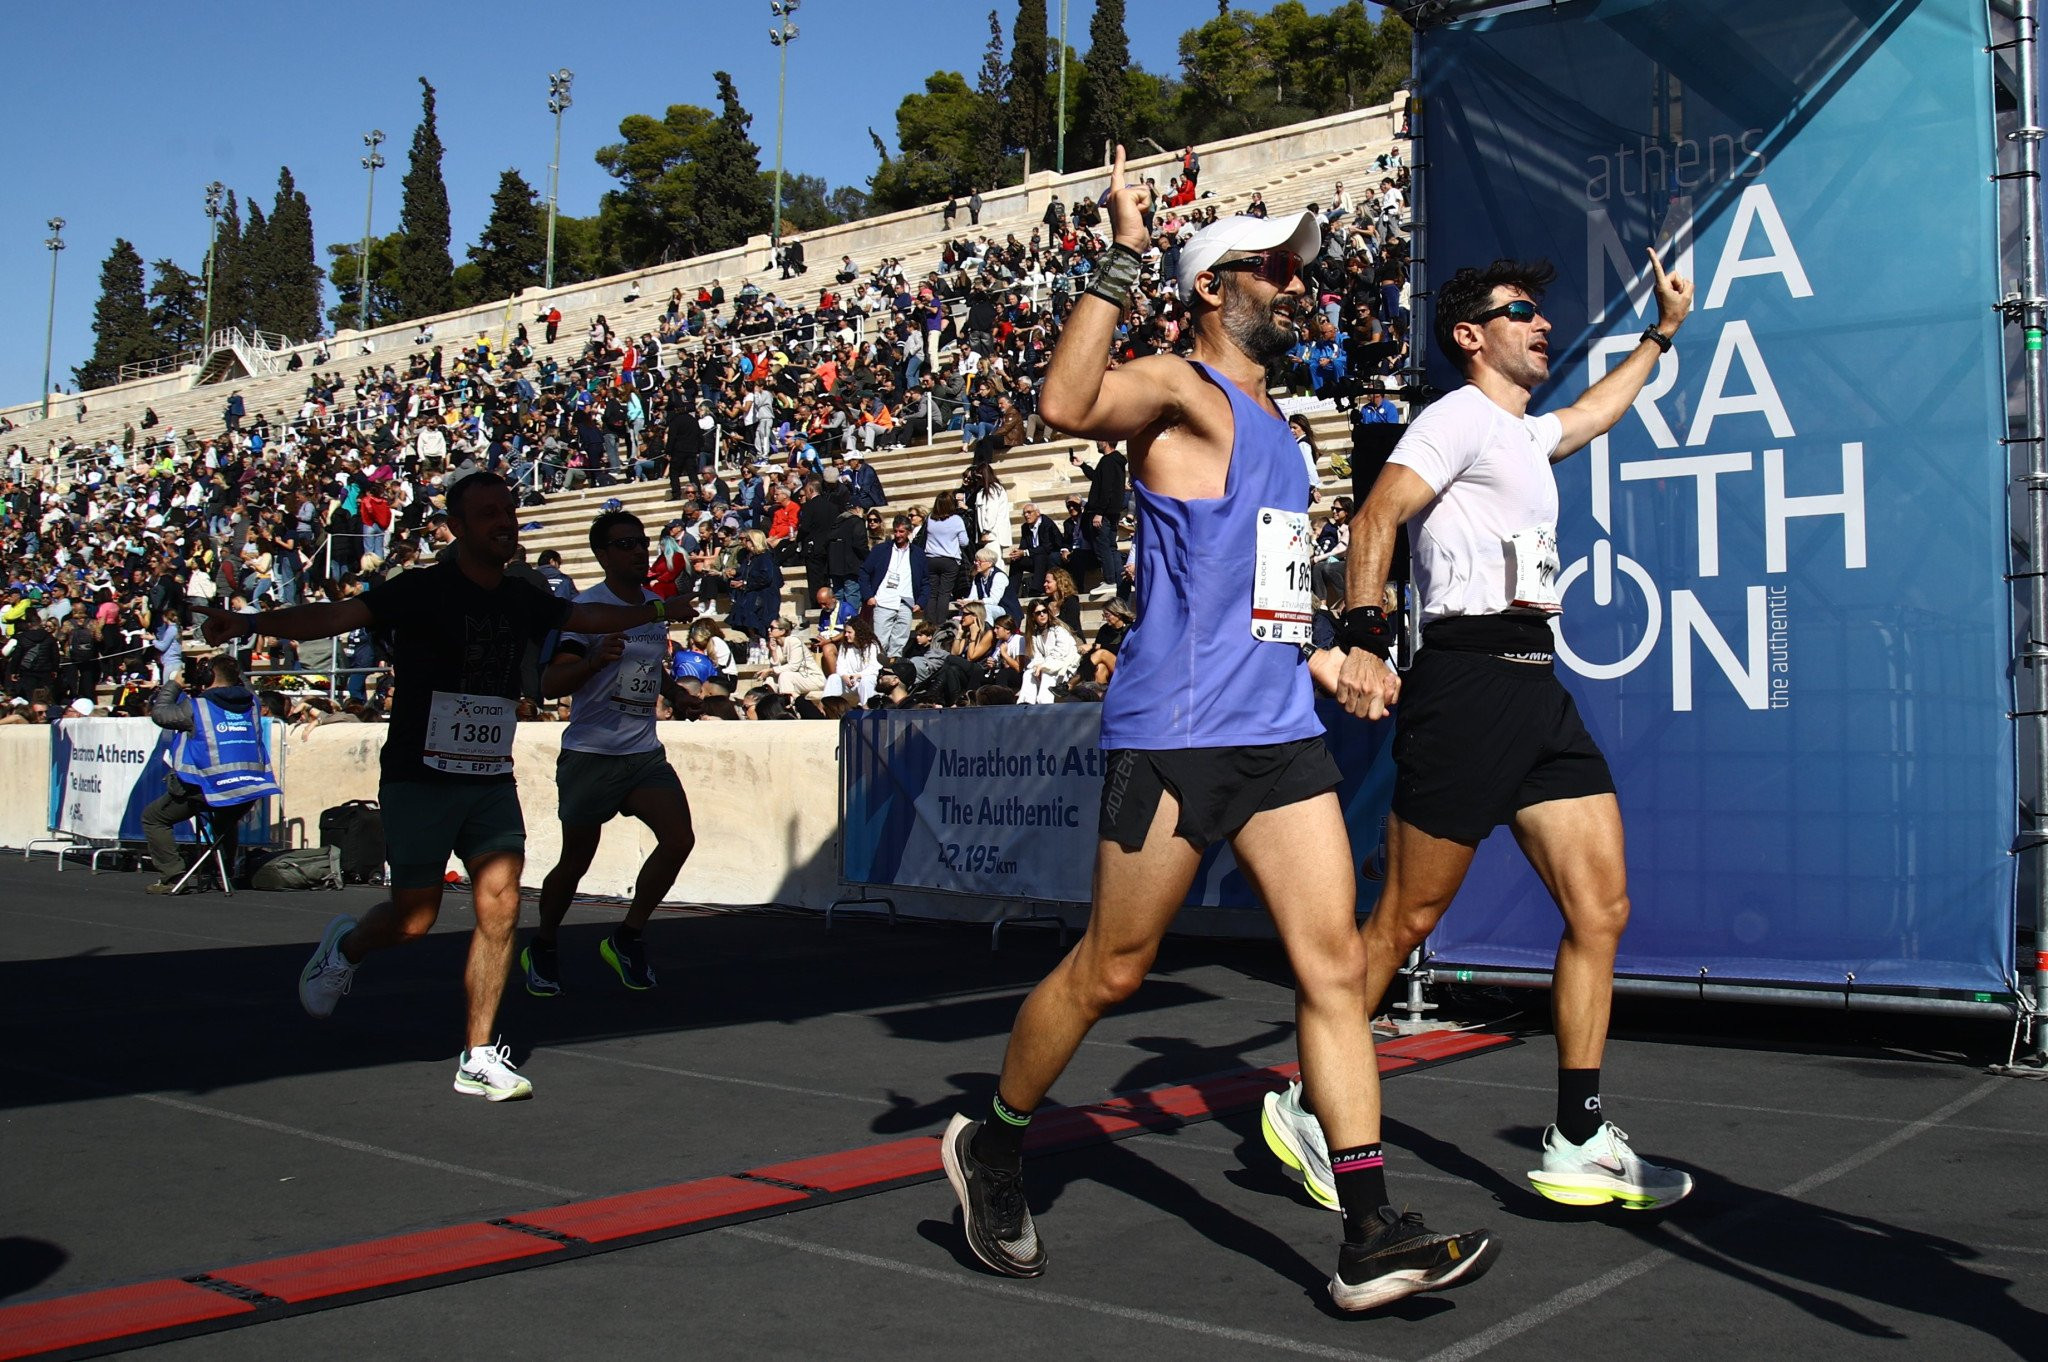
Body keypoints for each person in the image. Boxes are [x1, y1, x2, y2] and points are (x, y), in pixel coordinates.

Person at [940, 147, 1492, 1312]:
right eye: (1272, 270)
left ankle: (1367, 1230)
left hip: (1279, 738)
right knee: (1112, 969)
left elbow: (1272, 597)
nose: (1296, 285)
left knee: (1333, 970)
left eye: (1296, 270)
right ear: (1208, 287)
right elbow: (1064, 405)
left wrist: (1329, 655)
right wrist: (1120, 254)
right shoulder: (1179, 390)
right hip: (1176, 739)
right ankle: (993, 1139)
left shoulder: (1281, 431)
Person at [1277, 253, 1698, 1215]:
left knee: (1602, 910)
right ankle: (1308, 1099)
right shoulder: (1456, 417)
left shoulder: (1520, 433)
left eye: (1542, 313)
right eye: (1521, 312)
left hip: (1536, 682)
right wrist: (1366, 639)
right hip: (1466, 682)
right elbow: (1376, 516)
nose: (1543, 325)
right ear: (1470, 335)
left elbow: (1593, 413)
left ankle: (1579, 1137)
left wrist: (1660, 335)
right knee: (1405, 921)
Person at [195, 471, 679, 1102]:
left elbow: (588, 614)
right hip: (419, 776)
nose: (504, 522)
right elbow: (334, 616)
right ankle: (347, 947)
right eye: (488, 513)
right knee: (414, 918)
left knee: (501, 904)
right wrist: (247, 622)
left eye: (509, 510)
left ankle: (478, 1055)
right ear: (457, 526)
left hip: (489, 777)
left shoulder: (524, 595)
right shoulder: (421, 588)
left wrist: (659, 609)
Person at [523, 509, 697, 998]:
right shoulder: (585, 609)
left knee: (678, 840)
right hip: (591, 754)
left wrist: (675, 694)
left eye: (641, 542)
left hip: (643, 753)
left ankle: (626, 937)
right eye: (625, 544)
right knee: (575, 862)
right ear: (601, 555)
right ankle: (544, 943)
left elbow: (648, 666)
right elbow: (551, 683)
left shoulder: (652, 604)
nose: (639, 550)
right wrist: (594, 661)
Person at [139, 653, 280, 894]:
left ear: (208, 676)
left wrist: (175, 683)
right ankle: (224, 872)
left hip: (207, 788)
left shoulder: (198, 707)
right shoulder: (253, 704)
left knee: (153, 818)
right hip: (248, 788)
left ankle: (173, 876)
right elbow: (242, 684)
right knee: (225, 818)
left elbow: (160, 714)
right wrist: (232, 668)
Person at [859, 514, 927, 660]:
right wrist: (868, 596)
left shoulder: (918, 554)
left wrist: (921, 601)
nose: (898, 535)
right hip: (883, 601)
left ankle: (893, 668)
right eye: (895, 531)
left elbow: (926, 580)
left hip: (906, 602)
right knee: (880, 642)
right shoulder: (880, 550)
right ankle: (877, 669)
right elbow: (864, 572)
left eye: (901, 531)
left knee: (899, 643)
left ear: (909, 532)